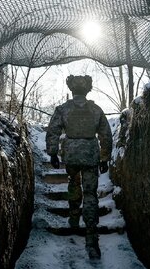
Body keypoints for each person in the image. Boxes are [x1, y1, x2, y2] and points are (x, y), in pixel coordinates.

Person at [46, 75, 112, 259]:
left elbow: (53, 131)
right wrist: (105, 158)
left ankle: (74, 216)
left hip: (72, 155)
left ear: (71, 89)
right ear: (88, 89)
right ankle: (92, 240)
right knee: (90, 194)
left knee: (73, 184)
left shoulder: (63, 109)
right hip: (91, 155)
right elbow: (106, 135)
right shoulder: (96, 110)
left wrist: (52, 153)